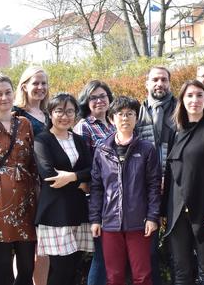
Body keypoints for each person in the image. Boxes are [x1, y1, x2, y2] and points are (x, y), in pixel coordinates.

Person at [163, 80, 204, 285]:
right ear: (182, 101)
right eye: (189, 95)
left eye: (199, 95)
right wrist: (162, 211)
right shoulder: (175, 131)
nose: (195, 100)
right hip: (177, 211)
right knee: (181, 269)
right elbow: (169, 172)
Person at [0, 73, 39, 285]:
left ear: (14, 93)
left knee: (27, 267)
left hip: (26, 203)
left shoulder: (25, 123)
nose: (4, 97)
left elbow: (33, 162)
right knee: (2, 268)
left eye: (8, 92)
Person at [90, 96, 162, 285]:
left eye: (130, 114)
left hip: (139, 222)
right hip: (110, 223)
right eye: (120, 114)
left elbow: (154, 186)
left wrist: (153, 217)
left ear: (136, 118)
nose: (125, 118)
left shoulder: (147, 149)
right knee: (113, 276)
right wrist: (96, 219)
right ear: (112, 119)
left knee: (143, 275)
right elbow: (97, 187)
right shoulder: (102, 150)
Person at [34, 93, 94, 285]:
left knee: (74, 268)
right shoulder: (42, 140)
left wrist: (70, 177)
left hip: (78, 211)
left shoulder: (78, 140)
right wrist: (79, 182)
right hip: (55, 214)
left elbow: (92, 170)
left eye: (70, 111)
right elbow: (49, 175)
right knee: (61, 270)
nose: (65, 116)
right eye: (59, 111)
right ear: (50, 113)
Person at [136, 66, 177, 285]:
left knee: (176, 248)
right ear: (147, 83)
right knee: (148, 249)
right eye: (155, 80)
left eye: (163, 80)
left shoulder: (180, 109)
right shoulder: (137, 111)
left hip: (174, 188)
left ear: (169, 83)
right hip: (146, 191)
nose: (159, 84)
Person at [73, 80, 116, 285]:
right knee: (102, 255)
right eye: (94, 97)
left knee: (113, 255)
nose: (99, 100)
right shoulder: (84, 126)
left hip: (120, 199)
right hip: (98, 200)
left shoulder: (115, 123)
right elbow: (82, 165)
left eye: (103, 96)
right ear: (86, 101)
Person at [13, 66, 50, 285]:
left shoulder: (49, 114)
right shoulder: (17, 113)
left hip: (49, 186)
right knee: (25, 246)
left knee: (45, 245)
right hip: (26, 186)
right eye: (35, 83)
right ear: (24, 85)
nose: (40, 88)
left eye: (44, 83)